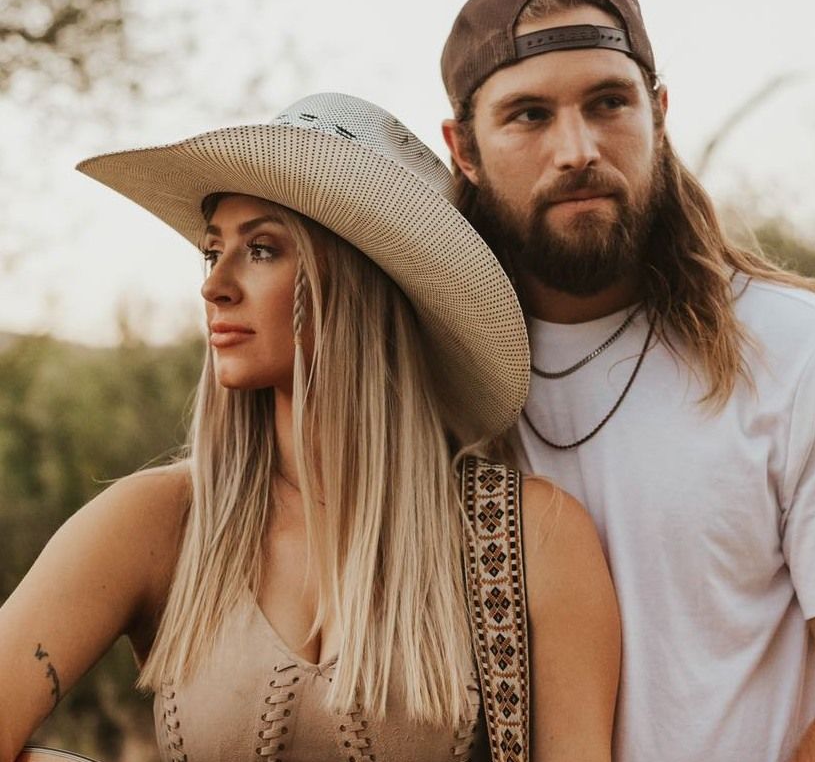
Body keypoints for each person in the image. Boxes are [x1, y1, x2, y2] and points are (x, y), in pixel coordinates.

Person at [0, 92, 620, 762]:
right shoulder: (159, 521)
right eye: (215, 253)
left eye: (262, 249)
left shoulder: (528, 535)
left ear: (362, 281)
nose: (216, 286)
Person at [439, 0, 815, 762]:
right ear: (465, 151)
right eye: (528, 115)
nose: (577, 149)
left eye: (607, 103)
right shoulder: (426, 380)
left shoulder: (798, 349)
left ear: (657, 114)